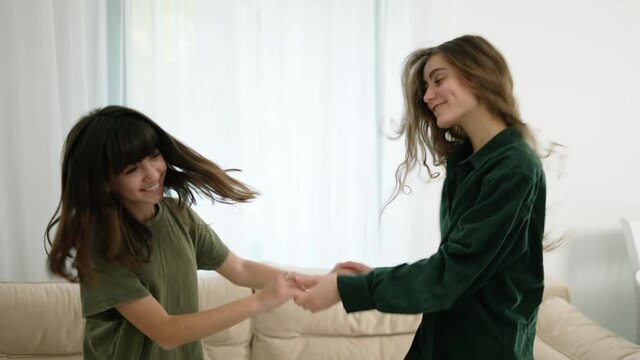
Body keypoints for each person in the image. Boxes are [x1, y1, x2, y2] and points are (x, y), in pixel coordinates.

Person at [293, 34, 547, 360]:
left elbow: (451, 275)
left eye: (438, 80)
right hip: (442, 341)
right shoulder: (465, 165)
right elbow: (457, 270)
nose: (427, 96)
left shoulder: (514, 168)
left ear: (479, 75)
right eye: (426, 85)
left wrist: (349, 289)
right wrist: (373, 279)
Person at [45, 105, 305, 359]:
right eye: (132, 169)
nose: (152, 173)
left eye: (154, 155)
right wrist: (259, 303)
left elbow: (241, 269)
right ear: (104, 182)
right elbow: (166, 332)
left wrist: (325, 282)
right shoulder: (100, 246)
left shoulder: (179, 214)